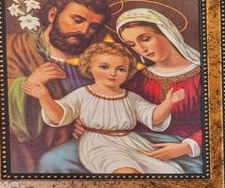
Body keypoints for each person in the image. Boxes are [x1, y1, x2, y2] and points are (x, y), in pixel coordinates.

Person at [24, 39, 188, 174]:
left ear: (128, 72)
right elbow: (59, 116)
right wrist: (45, 98)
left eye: (121, 69)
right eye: (104, 67)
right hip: (99, 145)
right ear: (89, 67)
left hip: (130, 143)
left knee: (168, 171)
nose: (112, 73)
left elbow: (153, 117)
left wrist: (168, 103)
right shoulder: (82, 94)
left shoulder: (131, 98)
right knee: (126, 171)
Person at [5, 0, 112, 173]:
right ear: (52, 14)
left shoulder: (95, 63)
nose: (83, 30)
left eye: (93, 26)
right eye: (77, 20)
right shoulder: (12, 47)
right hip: (27, 155)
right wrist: (28, 84)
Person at [115, 6, 207, 175]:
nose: (141, 49)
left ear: (167, 33)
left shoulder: (203, 76)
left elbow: (218, 123)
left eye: (145, 39)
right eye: (132, 45)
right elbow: (115, 107)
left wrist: (186, 147)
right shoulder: (137, 79)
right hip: (137, 144)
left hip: (183, 148)